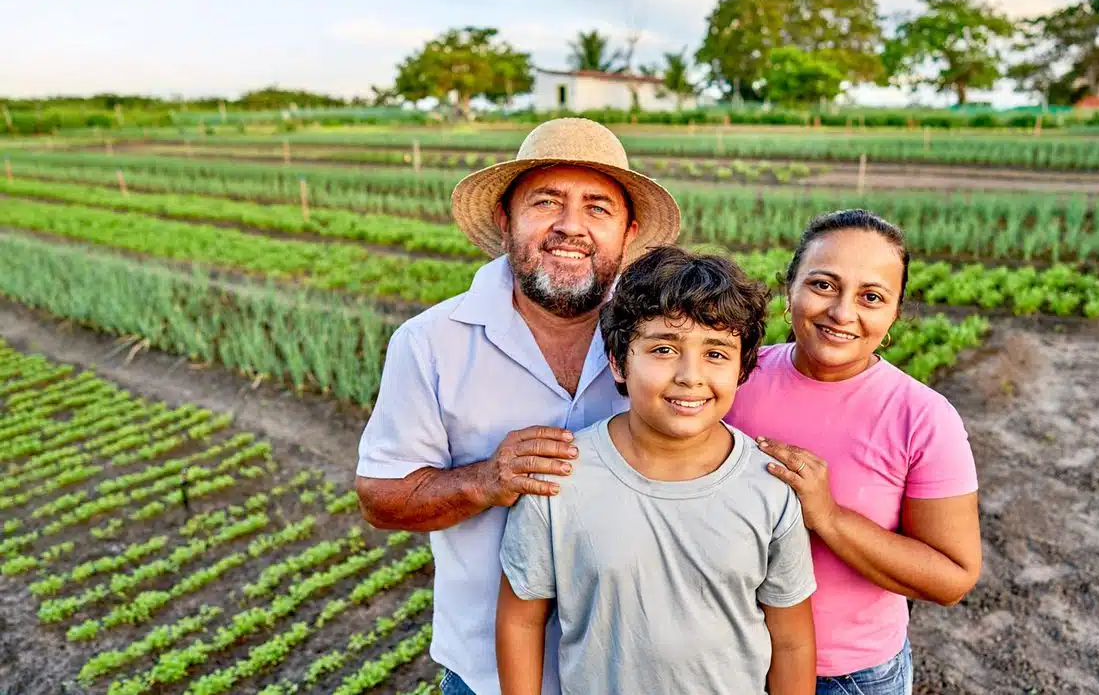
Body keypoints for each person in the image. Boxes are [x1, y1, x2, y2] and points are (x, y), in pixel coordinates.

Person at [353, 118, 682, 695]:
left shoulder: (667, 343)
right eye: (546, 202)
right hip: (486, 676)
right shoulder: (432, 341)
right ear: (506, 219)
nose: (570, 227)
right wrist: (487, 480)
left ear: (628, 232)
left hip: (636, 673)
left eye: (597, 208)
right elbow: (382, 498)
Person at [496, 246, 817, 695]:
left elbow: (792, 641)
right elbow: (521, 621)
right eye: (664, 348)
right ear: (618, 360)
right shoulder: (559, 478)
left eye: (717, 353)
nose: (690, 375)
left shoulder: (768, 485)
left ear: (743, 369)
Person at [724, 209, 982, 695]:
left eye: (871, 297)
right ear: (790, 289)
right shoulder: (731, 378)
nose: (843, 312)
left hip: (846, 676)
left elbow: (952, 578)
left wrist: (830, 516)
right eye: (823, 285)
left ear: (893, 315)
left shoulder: (923, 418)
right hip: (726, 658)